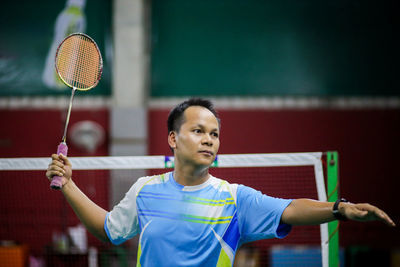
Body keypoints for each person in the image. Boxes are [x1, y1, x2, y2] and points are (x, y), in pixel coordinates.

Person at [46, 98, 395, 267]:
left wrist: (340, 209)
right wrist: (70, 185)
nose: (209, 139)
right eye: (198, 131)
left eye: (214, 134)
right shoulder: (145, 190)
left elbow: (290, 209)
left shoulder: (233, 199)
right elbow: (109, 229)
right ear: (172, 138)